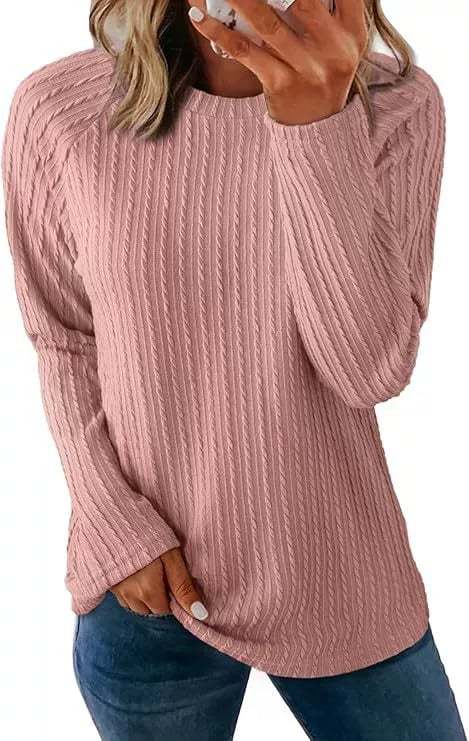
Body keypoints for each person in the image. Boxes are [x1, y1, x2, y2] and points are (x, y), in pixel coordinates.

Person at [1, 0, 466, 738]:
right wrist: (117, 526)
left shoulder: (398, 107)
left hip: (337, 573)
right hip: (148, 583)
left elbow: (368, 368)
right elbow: (64, 337)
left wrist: (315, 126)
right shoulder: (60, 108)